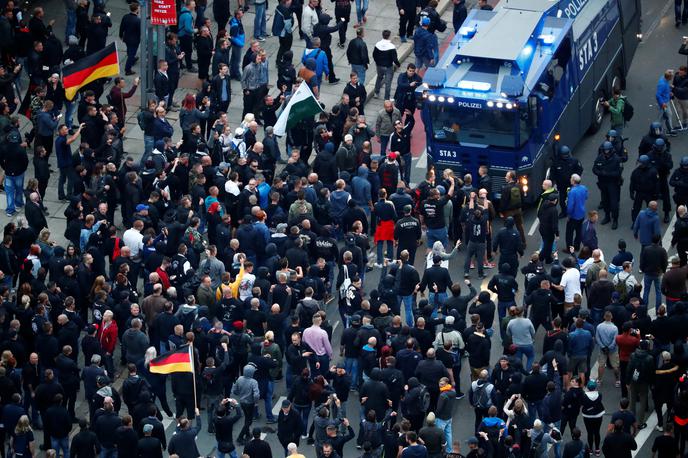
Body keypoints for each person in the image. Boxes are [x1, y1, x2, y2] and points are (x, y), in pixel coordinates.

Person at [372, 30, 400, 100]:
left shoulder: (378, 44)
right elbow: (394, 59)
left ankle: (376, 92)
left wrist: (377, 62)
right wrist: (398, 64)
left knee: (379, 78)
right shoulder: (391, 46)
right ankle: (386, 98)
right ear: (389, 36)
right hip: (388, 67)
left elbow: (374, 55)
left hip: (379, 66)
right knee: (388, 83)